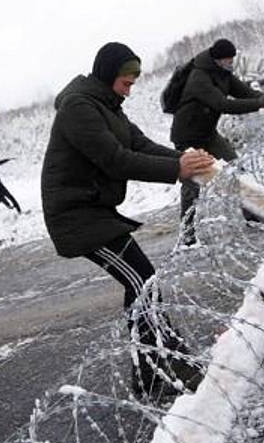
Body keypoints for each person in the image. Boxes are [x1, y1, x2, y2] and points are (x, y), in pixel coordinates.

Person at [41, 41, 215, 398]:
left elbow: (140, 144)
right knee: (143, 281)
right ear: (108, 74)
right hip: (75, 216)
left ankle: (152, 372)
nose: (129, 88)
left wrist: (187, 158)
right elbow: (116, 159)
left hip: (95, 210)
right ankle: (165, 364)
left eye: (133, 81)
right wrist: (176, 170)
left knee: (142, 283)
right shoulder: (79, 108)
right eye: (126, 81)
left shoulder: (107, 106)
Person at [168, 38, 264, 244]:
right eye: (228, 60)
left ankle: (253, 216)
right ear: (218, 59)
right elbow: (222, 104)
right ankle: (187, 233)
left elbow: (244, 92)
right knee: (192, 185)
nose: (231, 63)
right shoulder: (198, 77)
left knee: (235, 168)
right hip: (187, 136)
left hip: (208, 133)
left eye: (232, 59)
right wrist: (258, 104)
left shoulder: (224, 74)